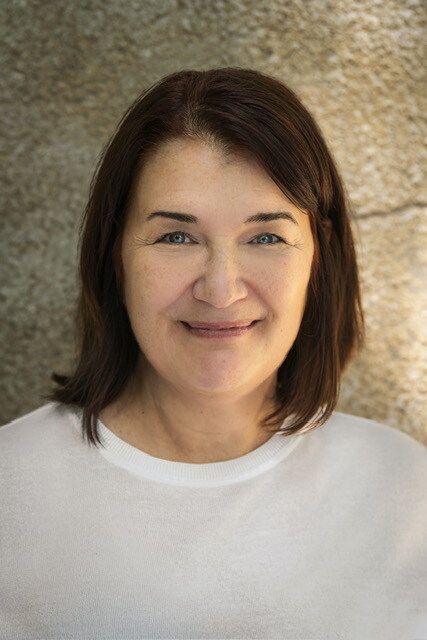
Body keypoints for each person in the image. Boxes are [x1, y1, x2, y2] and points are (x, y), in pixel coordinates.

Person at [1, 67, 426, 640]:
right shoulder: (13, 491)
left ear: (318, 265)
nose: (221, 289)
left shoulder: (403, 492)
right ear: (115, 257)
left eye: (266, 237)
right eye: (177, 237)